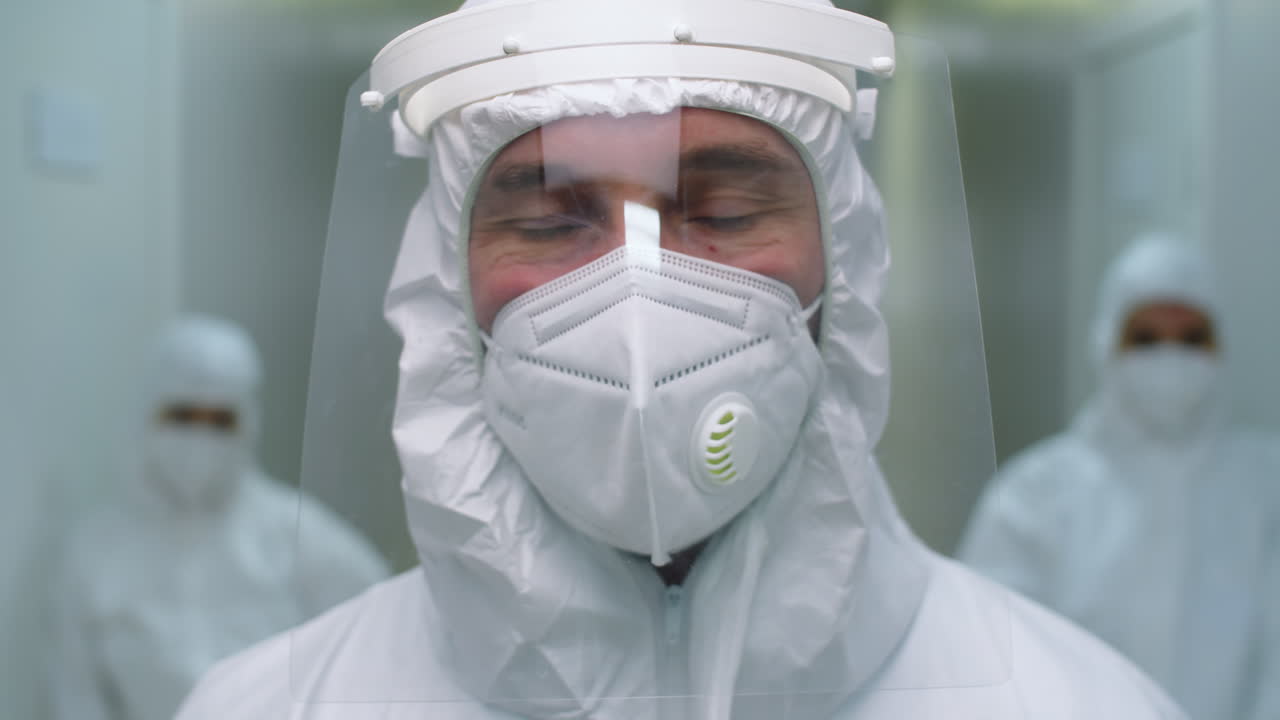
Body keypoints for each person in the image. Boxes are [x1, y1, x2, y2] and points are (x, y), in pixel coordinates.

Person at [177, 0, 1184, 717]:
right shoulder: (278, 705)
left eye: (726, 211)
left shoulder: (1075, 704)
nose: (637, 301)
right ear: (447, 284)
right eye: (551, 221)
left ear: (845, 261)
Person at [960, 235, 1280, 720]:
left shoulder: (1265, 484)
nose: (1170, 357)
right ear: (1107, 343)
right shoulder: (1034, 494)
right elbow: (990, 659)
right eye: (1146, 339)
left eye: (1192, 338)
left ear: (1221, 345)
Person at [50, 315, 389, 720]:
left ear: (247, 423)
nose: (199, 439)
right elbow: (74, 694)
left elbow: (383, 642)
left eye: (218, 420)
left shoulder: (298, 534)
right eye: (182, 416)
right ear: (146, 413)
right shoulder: (96, 552)